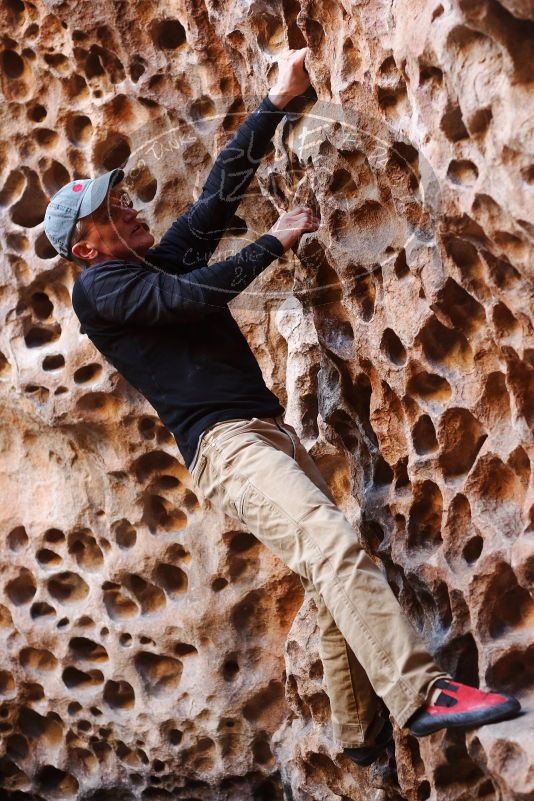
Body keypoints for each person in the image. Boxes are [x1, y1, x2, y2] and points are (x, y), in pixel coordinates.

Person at [43, 48, 521, 766]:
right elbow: (193, 296)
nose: (127, 203)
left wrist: (273, 103)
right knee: (332, 545)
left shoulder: (146, 265)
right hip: (227, 449)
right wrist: (275, 240)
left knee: (323, 577)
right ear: (85, 246)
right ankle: (422, 697)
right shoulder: (101, 291)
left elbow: (215, 199)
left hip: (260, 433)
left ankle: (361, 739)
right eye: (109, 210)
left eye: (118, 195)